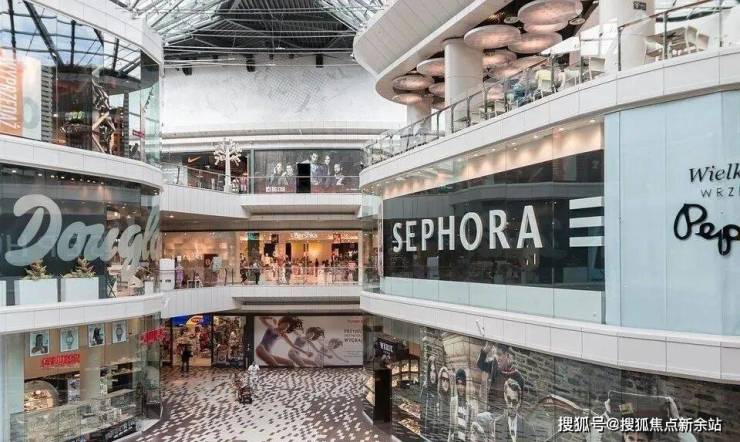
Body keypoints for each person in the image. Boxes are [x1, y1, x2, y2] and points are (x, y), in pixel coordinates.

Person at [477, 342, 525, 416]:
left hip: (507, 413)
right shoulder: (494, 366)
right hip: (492, 409)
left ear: (507, 355)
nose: (497, 358)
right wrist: (486, 349)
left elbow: (520, 401)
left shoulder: (517, 377)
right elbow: (480, 364)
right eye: (495, 354)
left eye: (499, 354)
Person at [449, 368, 475, 442]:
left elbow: (471, 429)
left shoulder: (469, 406)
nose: (460, 387)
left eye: (462, 384)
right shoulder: (453, 402)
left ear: (465, 385)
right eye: (458, 384)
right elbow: (451, 427)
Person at [420, 356, 439, 438]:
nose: (432, 374)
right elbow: (421, 407)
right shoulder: (425, 387)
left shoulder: (438, 387)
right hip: (427, 428)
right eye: (430, 371)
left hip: (437, 429)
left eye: (434, 371)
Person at [435, 366, 452, 442]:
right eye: (443, 379)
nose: (445, 382)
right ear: (440, 380)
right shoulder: (437, 398)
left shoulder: (451, 400)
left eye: (447, 380)